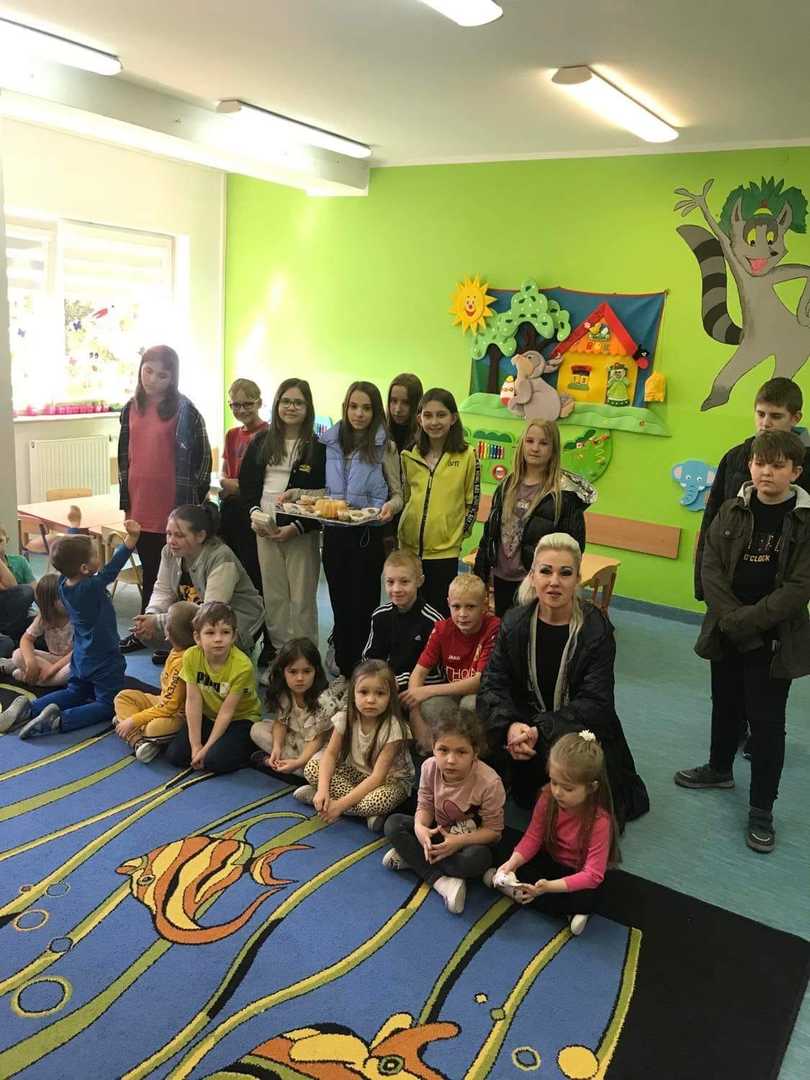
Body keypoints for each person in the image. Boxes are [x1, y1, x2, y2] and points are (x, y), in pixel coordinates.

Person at [675, 430, 810, 854]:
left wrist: (746, 623)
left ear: (795, 472)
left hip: (774, 640)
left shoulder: (805, 521)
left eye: (778, 465)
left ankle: (762, 809)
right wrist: (732, 621)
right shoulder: (731, 509)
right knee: (726, 702)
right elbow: (711, 567)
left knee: (767, 724)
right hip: (728, 632)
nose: (767, 472)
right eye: (760, 463)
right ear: (750, 465)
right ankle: (719, 768)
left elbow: (798, 587)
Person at [478, 532, 649, 828]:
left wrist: (540, 729)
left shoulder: (595, 629)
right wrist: (510, 726)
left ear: (578, 579)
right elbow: (493, 684)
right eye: (545, 571)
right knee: (521, 799)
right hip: (525, 731)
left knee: (583, 815)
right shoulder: (515, 623)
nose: (554, 581)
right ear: (532, 576)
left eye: (565, 573)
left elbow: (596, 703)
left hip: (578, 730)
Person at [0, 524, 140, 738]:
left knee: (75, 692)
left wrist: (68, 541)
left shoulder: (63, 585)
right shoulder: (91, 587)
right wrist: (131, 539)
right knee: (108, 704)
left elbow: (66, 559)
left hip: (81, 657)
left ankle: (30, 708)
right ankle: (60, 720)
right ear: (84, 568)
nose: (99, 558)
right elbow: (113, 568)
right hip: (104, 658)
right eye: (95, 555)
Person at [118, 345, 212, 652]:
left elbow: (203, 463)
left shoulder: (186, 410)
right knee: (150, 572)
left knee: (177, 576)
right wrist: (126, 504)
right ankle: (145, 632)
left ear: (173, 377)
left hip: (174, 508)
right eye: (148, 371)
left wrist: (192, 509)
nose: (153, 379)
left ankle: (176, 639)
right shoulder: (130, 408)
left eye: (162, 374)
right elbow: (124, 460)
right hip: (141, 505)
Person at [485, 731, 620, 936]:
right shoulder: (548, 797)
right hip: (550, 860)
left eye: (567, 788)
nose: (557, 792)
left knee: (590, 895)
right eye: (554, 782)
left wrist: (548, 887)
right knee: (503, 849)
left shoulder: (600, 821)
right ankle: (560, 909)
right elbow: (533, 837)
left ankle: (520, 893)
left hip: (577, 871)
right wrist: (512, 863)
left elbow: (592, 875)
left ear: (591, 788)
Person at [383, 700, 505, 915]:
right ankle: (441, 881)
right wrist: (420, 828)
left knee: (478, 860)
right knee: (393, 824)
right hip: (439, 835)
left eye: (461, 752)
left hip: (468, 844)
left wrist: (458, 842)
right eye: (443, 750)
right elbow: (425, 805)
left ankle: (415, 859)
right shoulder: (429, 767)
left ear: (475, 752)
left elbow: (493, 832)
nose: (450, 760)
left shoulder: (489, 782)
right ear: (433, 747)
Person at [695, 377, 810, 602]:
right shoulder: (735, 457)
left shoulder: (806, 463)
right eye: (760, 414)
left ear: (795, 418)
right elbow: (712, 518)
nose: (765, 423)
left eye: (776, 416)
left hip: (782, 584)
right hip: (730, 581)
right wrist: (703, 586)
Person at [318, 382, 403, 678]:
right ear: (345, 408)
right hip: (334, 537)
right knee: (339, 608)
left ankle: (363, 674)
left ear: (375, 412)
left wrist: (390, 507)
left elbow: (398, 494)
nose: (359, 414)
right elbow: (323, 492)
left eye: (366, 408)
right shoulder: (329, 443)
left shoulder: (385, 446)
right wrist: (296, 495)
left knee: (364, 609)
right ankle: (344, 672)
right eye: (354, 407)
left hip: (367, 538)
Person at [239, 379, 326, 657]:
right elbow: (247, 485)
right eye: (286, 401)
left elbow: (323, 496)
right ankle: (280, 654)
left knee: (302, 597)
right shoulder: (261, 441)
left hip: (301, 528)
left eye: (298, 402)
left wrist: (297, 527)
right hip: (264, 523)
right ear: (277, 404)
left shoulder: (318, 447)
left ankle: (305, 657)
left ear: (308, 408)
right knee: (274, 594)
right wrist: (255, 514)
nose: (291, 407)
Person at [474, 419, 595, 616]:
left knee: (532, 629)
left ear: (553, 449)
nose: (535, 448)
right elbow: (490, 533)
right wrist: (481, 574)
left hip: (537, 583)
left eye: (544, 443)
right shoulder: (507, 485)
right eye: (530, 441)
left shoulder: (563, 495)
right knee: (506, 628)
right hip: (502, 576)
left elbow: (574, 548)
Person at [128, 503, 264, 658]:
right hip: (200, 617)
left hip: (235, 623)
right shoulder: (168, 551)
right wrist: (151, 615)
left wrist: (157, 621)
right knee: (149, 632)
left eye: (179, 535)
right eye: (168, 534)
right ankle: (187, 657)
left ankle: (205, 657)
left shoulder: (221, 556)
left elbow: (211, 611)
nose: (171, 541)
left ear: (200, 536)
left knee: (199, 630)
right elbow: (163, 590)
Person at [295, 659, 414, 831]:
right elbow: (330, 755)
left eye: (380, 693)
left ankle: (331, 803)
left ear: (390, 697)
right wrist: (322, 789)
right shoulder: (346, 717)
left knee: (374, 802)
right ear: (353, 693)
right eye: (363, 692)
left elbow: (377, 777)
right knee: (312, 768)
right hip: (357, 773)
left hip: (390, 782)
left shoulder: (394, 729)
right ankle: (335, 802)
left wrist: (340, 806)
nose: (371, 700)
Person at [399, 388, 480, 616]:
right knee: (408, 614)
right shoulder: (409, 454)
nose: (434, 422)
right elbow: (405, 497)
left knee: (437, 616)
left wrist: (457, 536)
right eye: (428, 415)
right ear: (419, 419)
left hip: (444, 554)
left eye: (441, 415)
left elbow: (472, 501)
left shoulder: (467, 455)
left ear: (453, 418)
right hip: (409, 550)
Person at [402, 573, 499, 752]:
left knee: (470, 705)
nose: (462, 614)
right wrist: (414, 714)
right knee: (429, 705)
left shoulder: (494, 627)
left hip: (482, 694)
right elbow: (419, 673)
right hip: (454, 694)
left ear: (484, 606)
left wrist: (427, 690)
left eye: (470, 606)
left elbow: (479, 682)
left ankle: (478, 752)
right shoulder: (442, 629)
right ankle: (445, 748)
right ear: (448, 604)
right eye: (456, 606)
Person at [165, 601, 262, 774]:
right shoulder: (191, 656)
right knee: (175, 756)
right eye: (210, 633)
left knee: (213, 761)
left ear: (233, 636)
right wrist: (196, 745)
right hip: (209, 715)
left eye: (225, 632)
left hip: (240, 718)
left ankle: (251, 749)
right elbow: (193, 701)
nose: (218, 639)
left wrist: (206, 748)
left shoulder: (242, 666)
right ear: (197, 638)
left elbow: (227, 712)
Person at [112, 600, 197, 762]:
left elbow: (169, 707)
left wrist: (134, 720)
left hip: (178, 715)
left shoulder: (184, 661)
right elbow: (164, 700)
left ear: (167, 633)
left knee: (152, 729)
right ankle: (137, 736)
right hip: (162, 702)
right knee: (123, 697)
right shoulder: (176, 650)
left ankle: (135, 738)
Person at [250, 637, 343, 779]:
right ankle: (287, 766)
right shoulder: (285, 693)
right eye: (293, 672)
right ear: (283, 672)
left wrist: (299, 762)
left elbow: (318, 740)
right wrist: (276, 747)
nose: (300, 678)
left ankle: (282, 766)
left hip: (317, 748)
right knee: (257, 729)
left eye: (306, 671)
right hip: (295, 740)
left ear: (316, 671)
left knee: (317, 765)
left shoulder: (324, 700)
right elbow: (280, 723)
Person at [362, 549, 443, 692]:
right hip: (385, 686)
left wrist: (402, 680)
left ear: (420, 581)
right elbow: (369, 659)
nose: (396, 589)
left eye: (404, 582)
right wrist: (383, 680)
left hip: (419, 690)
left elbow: (439, 675)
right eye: (390, 582)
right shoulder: (379, 616)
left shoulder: (434, 622)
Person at [218, 378, 268, 596]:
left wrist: (236, 486)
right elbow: (223, 474)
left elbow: (261, 484)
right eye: (235, 405)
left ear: (259, 403)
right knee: (231, 567)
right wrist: (227, 483)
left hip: (253, 510)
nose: (241, 409)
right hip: (231, 509)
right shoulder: (232, 434)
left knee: (253, 569)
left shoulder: (268, 435)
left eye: (247, 404)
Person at [0, 573, 73, 686]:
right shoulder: (44, 618)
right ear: (50, 603)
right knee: (18, 654)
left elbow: (78, 652)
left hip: (70, 661)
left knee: (72, 670)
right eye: (63, 596)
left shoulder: (77, 618)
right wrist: (30, 661)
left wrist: (52, 669)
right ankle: (46, 678)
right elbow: (26, 640)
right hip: (53, 659)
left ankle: (39, 680)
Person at [0, 526, 35, 656]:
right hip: (2, 615)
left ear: (7, 540)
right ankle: (13, 641)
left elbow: (35, 590)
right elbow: (11, 585)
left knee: (44, 630)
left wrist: (46, 615)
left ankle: (15, 641)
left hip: (19, 616)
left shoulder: (19, 561)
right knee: (24, 591)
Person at [386, 373, 424, 454]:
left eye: (406, 402)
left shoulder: (425, 439)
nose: (398, 409)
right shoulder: (379, 434)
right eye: (394, 401)